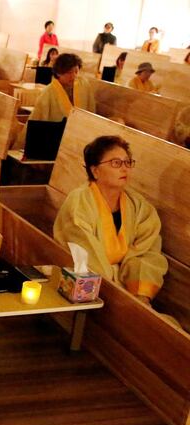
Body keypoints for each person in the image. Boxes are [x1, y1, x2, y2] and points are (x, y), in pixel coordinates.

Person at [54, 135, 167, 305]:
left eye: (128, 162)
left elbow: (146, 253)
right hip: (92, 291)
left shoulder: (139, 206)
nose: (125, 169)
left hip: (131, 289)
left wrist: (140, 296)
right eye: (116, 163)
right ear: (95, 170)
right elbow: (84, 253)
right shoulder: (79, 202)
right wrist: (116, 293)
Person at [30, 53, 95, 122]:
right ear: (58, 73)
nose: (74, 76)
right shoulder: (48, 93)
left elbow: (91, 111)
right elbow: (37, 119)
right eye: (69, 72)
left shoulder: (84, 84)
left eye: (76, 71)